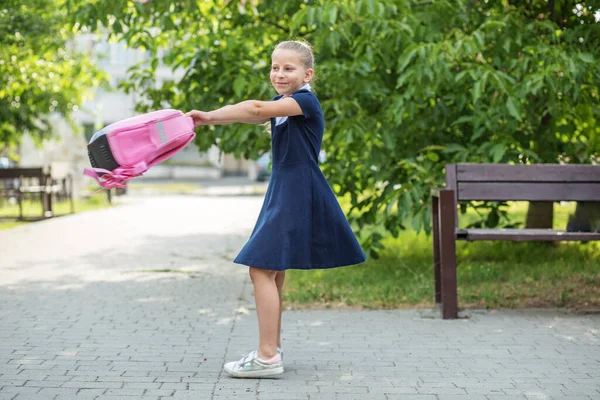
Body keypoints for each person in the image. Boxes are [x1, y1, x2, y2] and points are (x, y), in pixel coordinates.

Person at [186, 40, 366, 378]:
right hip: (285, 186)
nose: (279, 74)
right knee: (274, 269)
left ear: (307, 74)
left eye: (288, 68)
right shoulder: (283, 103)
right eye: (274, 67)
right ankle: (272, 350)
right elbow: (251, 114)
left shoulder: (304, 101)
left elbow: (254, 110)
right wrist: (208, 118)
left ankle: (267, 356)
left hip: (296, 187)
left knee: (260, 268)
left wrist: (207, 117)